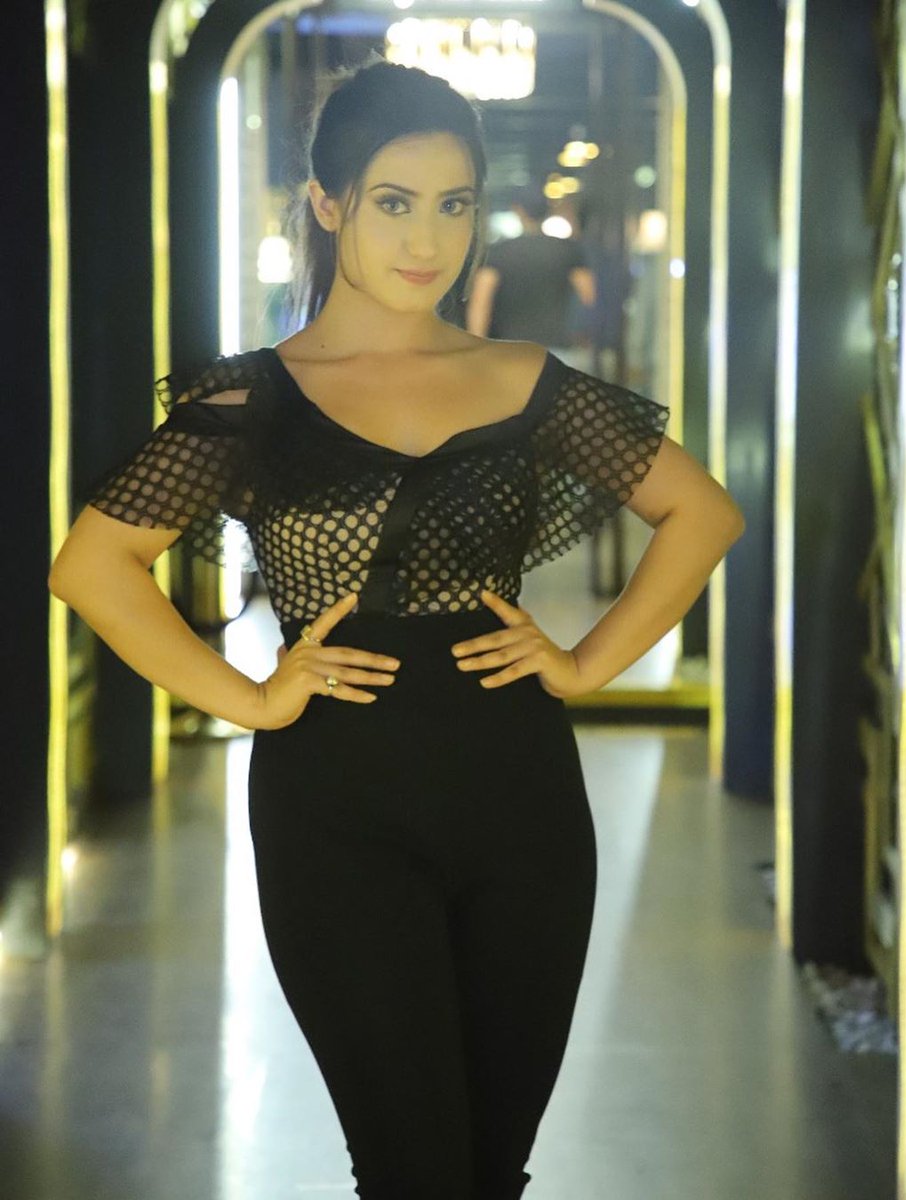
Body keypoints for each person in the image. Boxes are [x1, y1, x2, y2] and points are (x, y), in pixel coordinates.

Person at [48, 55, 745, 1200]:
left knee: (491, 1172)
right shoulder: (251, 399)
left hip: (524, 807)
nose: (430, 239)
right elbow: (92, 566)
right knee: (414, 1171)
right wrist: (251, 698)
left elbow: (703, 513)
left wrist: (584, 665)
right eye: (394, 202)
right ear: (328, 205)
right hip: (338, 814)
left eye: (454, 204)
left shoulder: (523, 378)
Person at [465, 182, 596, 371]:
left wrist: (476, 349)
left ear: (517, 210)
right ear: (548, 209)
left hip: (510, 351)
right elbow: (589, 297)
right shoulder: (568, 250)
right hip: (560, 350)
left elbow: (481, 303)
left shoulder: (498, 253)